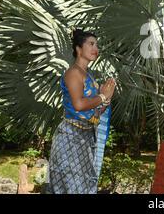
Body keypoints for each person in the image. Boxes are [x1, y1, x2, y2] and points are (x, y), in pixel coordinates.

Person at [48, 29, 116, 194]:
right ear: (79, 49)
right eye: (91, 44)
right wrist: (102, 96)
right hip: (70, 137)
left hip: (85, 136)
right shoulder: (73, 73)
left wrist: (107, 98)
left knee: (84, 184)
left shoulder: (89, 75)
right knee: (72, 185)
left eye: (97, 45)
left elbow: (95, 113)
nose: (96, 48)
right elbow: (78, 105)